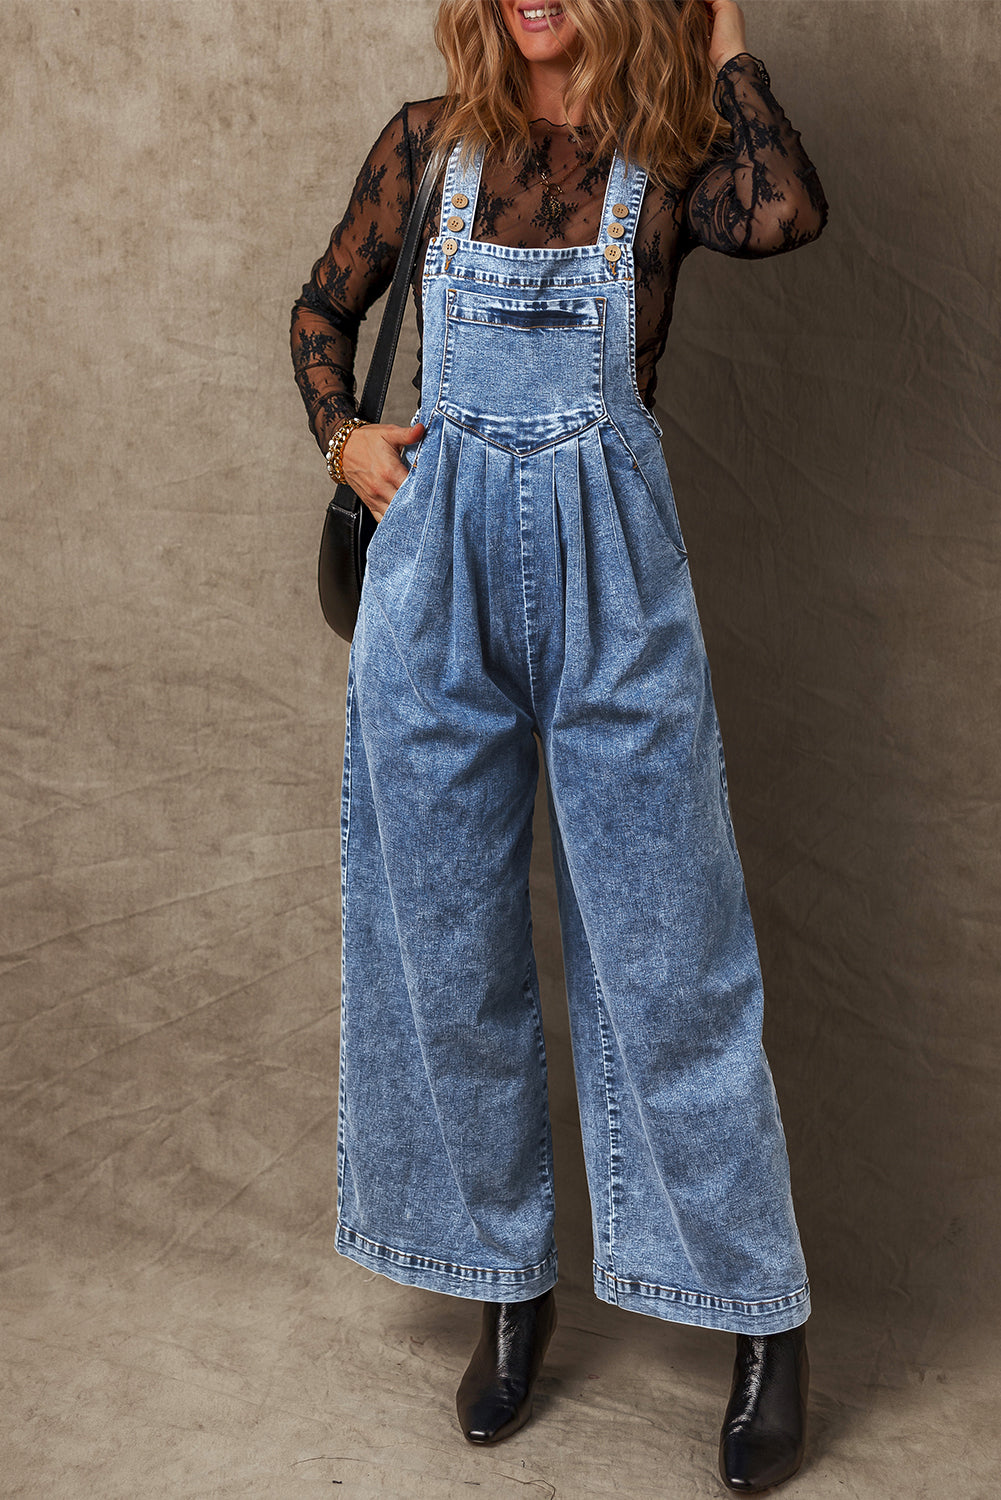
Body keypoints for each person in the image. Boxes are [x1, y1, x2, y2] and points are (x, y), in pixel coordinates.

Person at [290, 0, 828, 1490]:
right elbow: (320, 309)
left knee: (672, 961)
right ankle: (503, 1289)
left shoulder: (668, 157)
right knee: (448, 955)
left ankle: (763, 1322)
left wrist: (722, 34)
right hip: (435, 594)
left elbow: (787, 208)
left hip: (616, 597)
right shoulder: (427, 146)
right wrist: (344, 437)